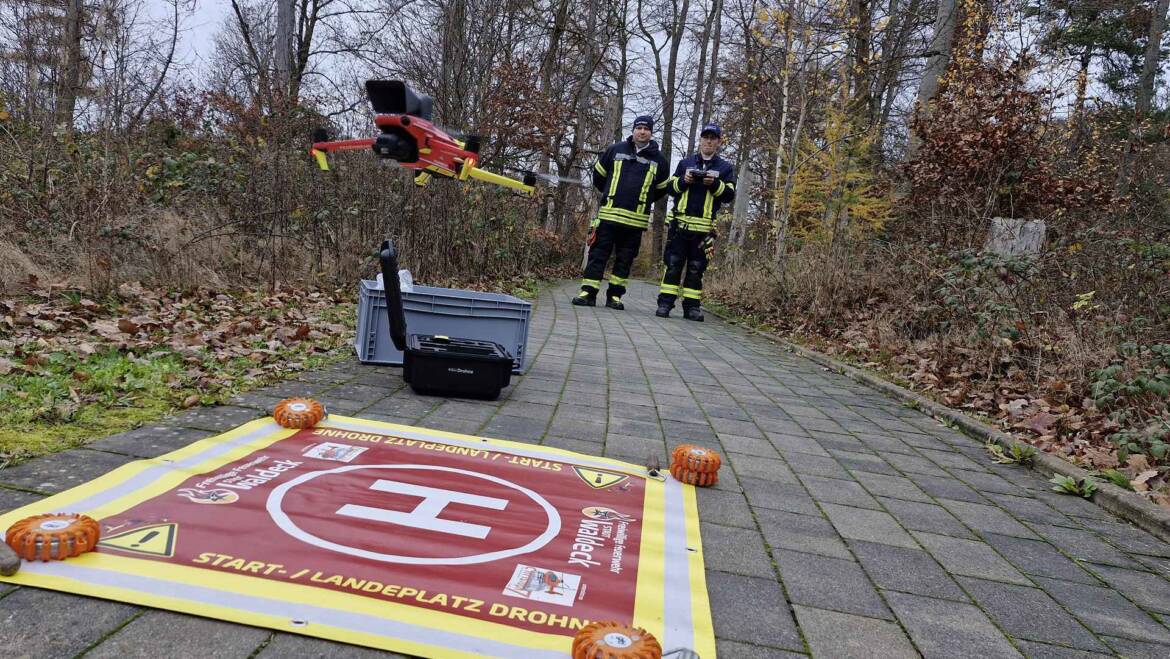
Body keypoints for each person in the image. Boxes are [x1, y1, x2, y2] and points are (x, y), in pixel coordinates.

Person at [573, 115, 671, 310]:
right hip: (608, 216)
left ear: (651, 133)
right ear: (633, 130)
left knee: (625, 260)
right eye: (639, 128)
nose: (642, 131)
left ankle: (615, 297)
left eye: (646, 128)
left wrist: (641, 202)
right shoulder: (615, 150)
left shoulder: (659, 160)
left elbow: (660, 190)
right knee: (598, 255)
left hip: (635, 222)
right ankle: (588, 293)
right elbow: (599, 176)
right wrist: (611, 193)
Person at [656, 123, 736, 321]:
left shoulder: (724, 168)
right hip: (679, 227)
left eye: (713, 138)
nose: (708, 141)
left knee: (696, 268)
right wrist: (685, 180)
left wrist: (715, 184)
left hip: (704, 230)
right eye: (705, 137)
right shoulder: (685, 163)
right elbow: (671, 188)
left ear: (718, 142)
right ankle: (665, 304)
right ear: (700, 140)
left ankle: (691, 307)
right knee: (673, 266)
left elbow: (729, 195)